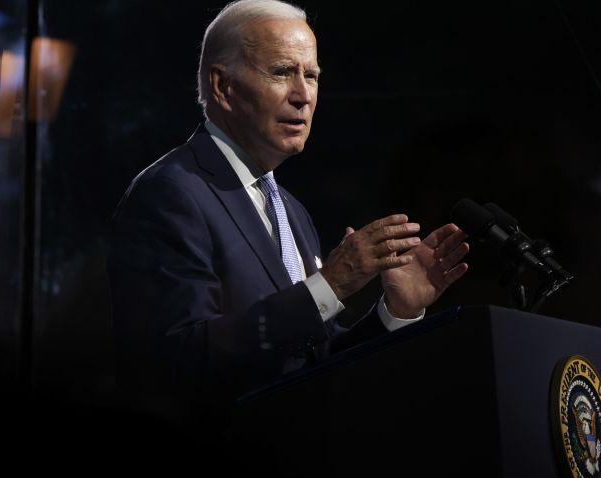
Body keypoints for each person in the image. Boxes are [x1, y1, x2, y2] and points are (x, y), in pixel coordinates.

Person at [107, 0, 469, 414]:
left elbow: (317, 364)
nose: (303, 96)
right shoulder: (170, 193)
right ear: (223, 87)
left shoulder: (291, 211)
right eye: (282, 72)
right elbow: (175, 361)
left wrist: (395, 312)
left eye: (311, 76)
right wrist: (328, 287)